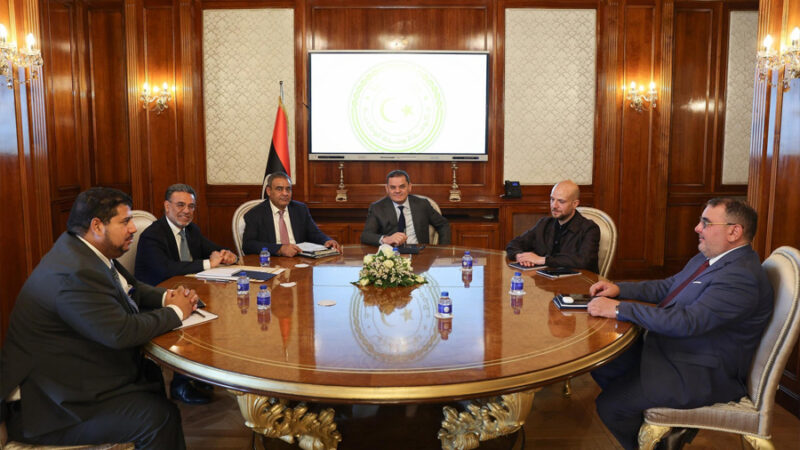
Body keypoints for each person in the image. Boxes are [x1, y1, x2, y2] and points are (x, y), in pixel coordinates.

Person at [0, 187, 199, 449]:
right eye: (125, 221)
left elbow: (130, 287)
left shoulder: (84, 249)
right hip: (50, 405)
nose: (133, 228)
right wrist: (176, 312)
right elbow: (121, 333)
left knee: (149, 374)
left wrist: (167, 297)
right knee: (160, 418)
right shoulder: (73, 272)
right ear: (97, 226)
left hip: (75, 374)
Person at [586, 197, 774, 450]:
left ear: (734, 231)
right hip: (676, 352)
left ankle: (658, 445)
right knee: (603, 361)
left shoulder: (741, 276)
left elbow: (687, 322)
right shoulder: (711, 258)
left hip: (699, 373)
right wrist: (619, 289)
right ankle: (664, 432)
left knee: (611, 406)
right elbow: (669, 287)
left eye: (706, 223)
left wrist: (620, 309)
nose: (697, 228)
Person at [135, 183, 237, 404]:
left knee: (220, 311)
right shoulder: (153, 235)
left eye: (191, 206)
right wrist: (209, 263)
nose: (187, 211)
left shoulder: (191, 230)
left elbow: (212, 249)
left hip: (188, 290)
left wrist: (226, 254)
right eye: (180, 205)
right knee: (194, 317)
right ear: (167, 206)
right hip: (157, 297)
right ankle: (180, 385)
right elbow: (166, 269)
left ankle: (198, 374)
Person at [505, 180, 600, 272]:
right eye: (552, 199)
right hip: (545, 279)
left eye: (561, 201)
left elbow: (584, 261)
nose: (554, 205)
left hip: (579, 280)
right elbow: (514, 244)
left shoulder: (589, 229)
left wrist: (542, 260)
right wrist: (520, 256)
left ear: (575, 204)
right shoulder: (544, 224)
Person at [243, 172, 340, 256]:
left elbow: (314, 233)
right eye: (279, 189)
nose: (285, 193)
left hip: (300, 259)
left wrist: (326, 240)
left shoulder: (300, 209)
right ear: (269, 191)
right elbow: (248, 245)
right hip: (272, 261)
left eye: (288, 189)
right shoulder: (255, 214)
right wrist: (280, 249)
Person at [361, 170, 451, 246]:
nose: (397, 191)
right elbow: (366, 235)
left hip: (419, 252)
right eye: (393, 187)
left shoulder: (422, 204)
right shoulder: (377, 208)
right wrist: (386, 239)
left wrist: (442, 249)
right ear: (387, 188)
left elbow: (443, 224)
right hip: (391, 254)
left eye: (402, 186)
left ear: (409, 187)